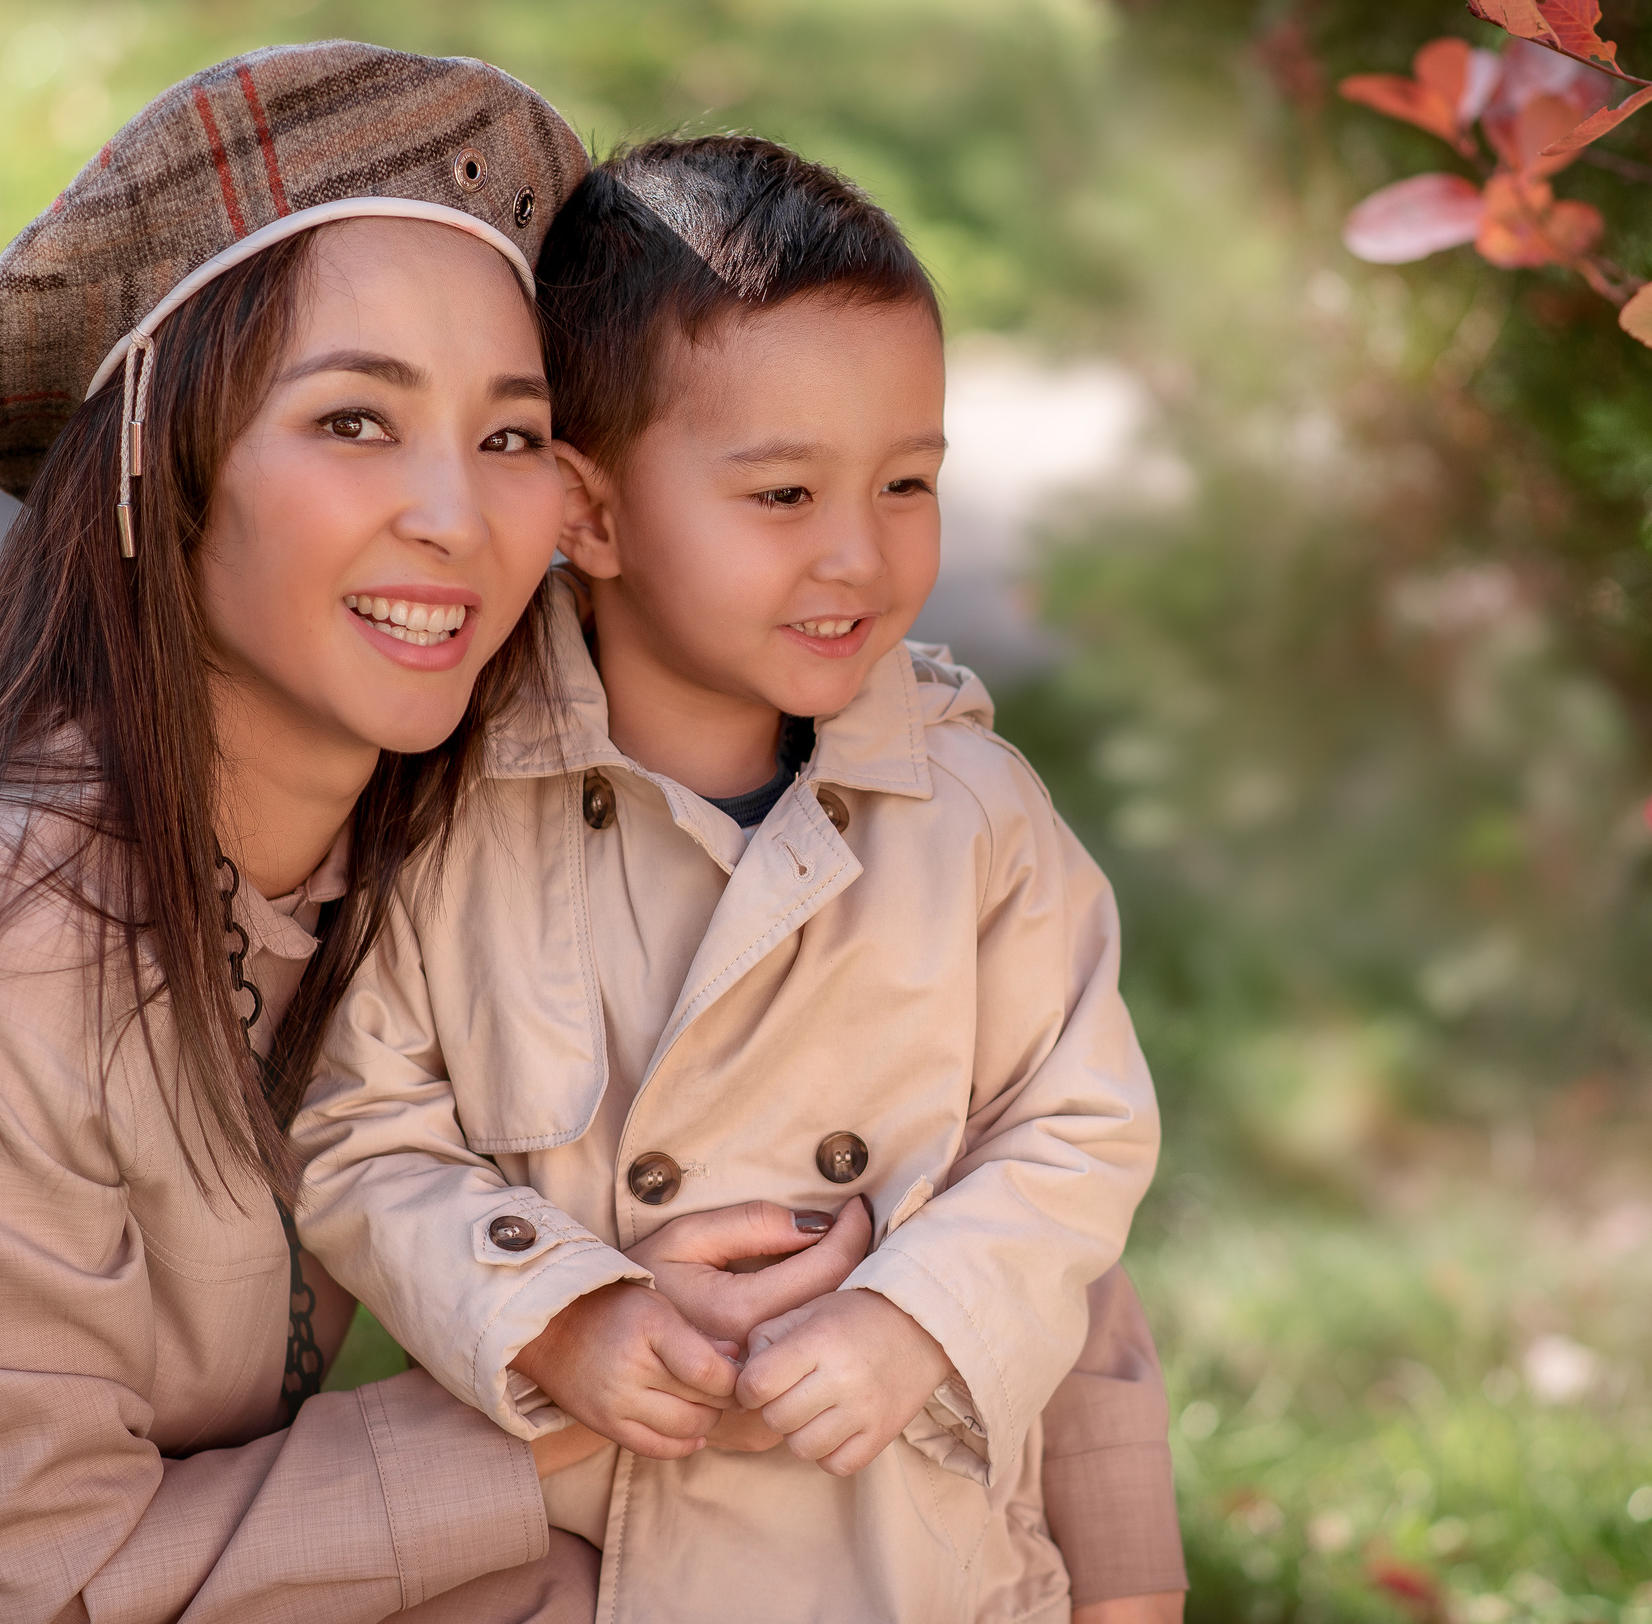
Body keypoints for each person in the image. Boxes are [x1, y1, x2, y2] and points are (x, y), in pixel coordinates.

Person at [0, 42, 611, 1622]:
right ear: (158, 460)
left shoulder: (436, 854)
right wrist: (566, 1410)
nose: (455, 514)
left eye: (510, 437)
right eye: (355, 420)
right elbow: (36, 1577)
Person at [294, 135, 1184, 1622]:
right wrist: (558, 1312)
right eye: (782, 495)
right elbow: (355, 1128)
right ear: (589, 514)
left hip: (922, 1565)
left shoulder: (972, 818)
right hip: (581, 1564)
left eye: (907, 482)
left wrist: (917, 1318)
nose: (859, 556)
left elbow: (1076, 1133)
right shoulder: (447, 815)